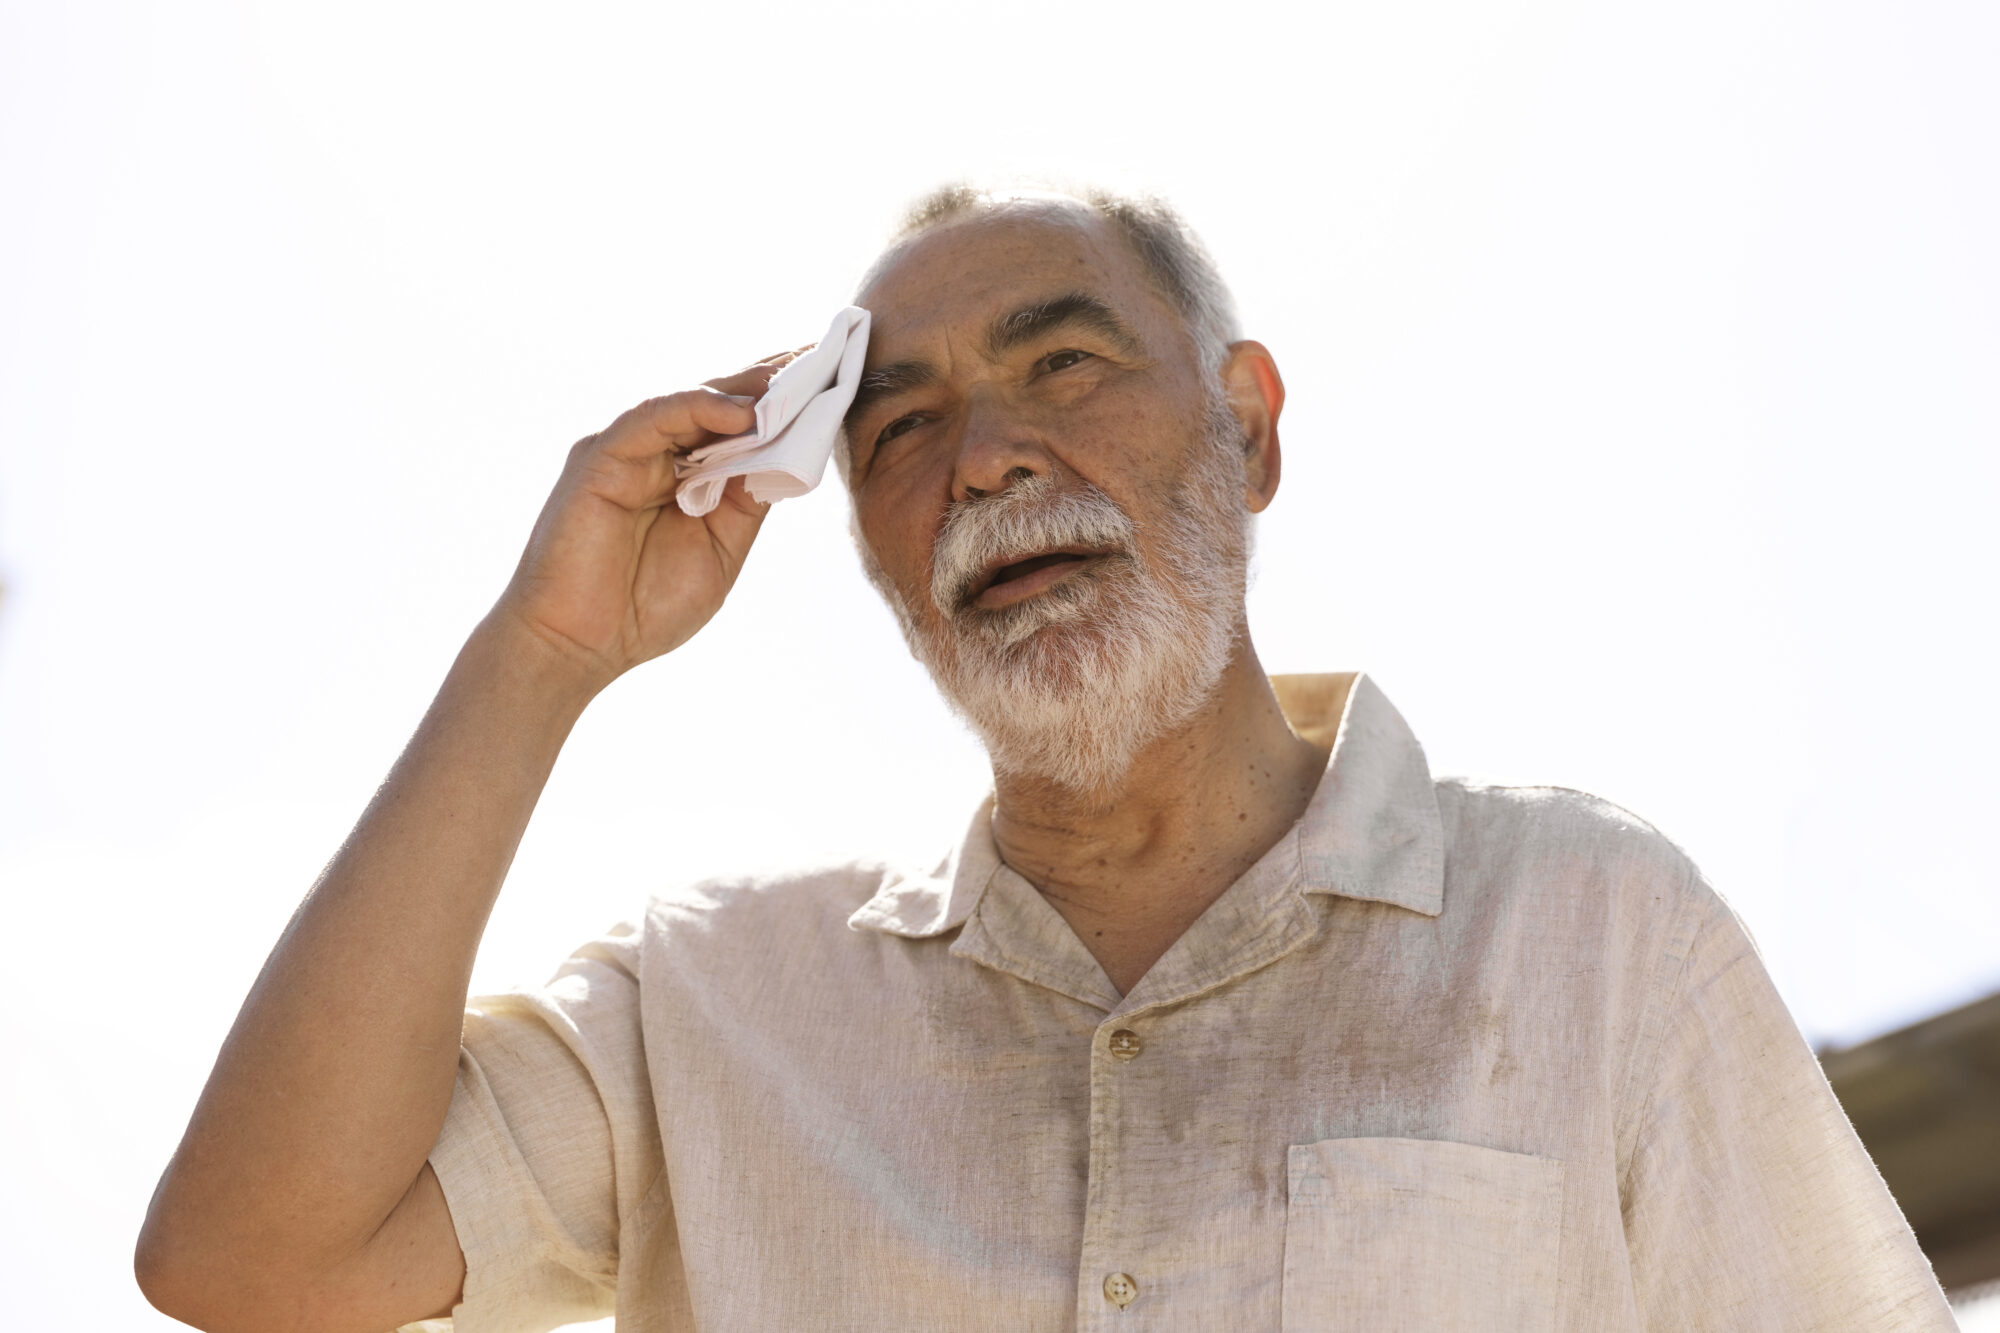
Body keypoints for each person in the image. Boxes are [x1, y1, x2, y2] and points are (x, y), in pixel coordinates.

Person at [135, 184, 1955, 1332]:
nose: (982, 458)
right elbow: (253, 1260)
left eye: (1063, 365)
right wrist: (538, 660)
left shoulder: (1592, 925)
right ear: (868, 549)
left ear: (1246, 429)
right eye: (900, 426)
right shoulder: (711, 1006)